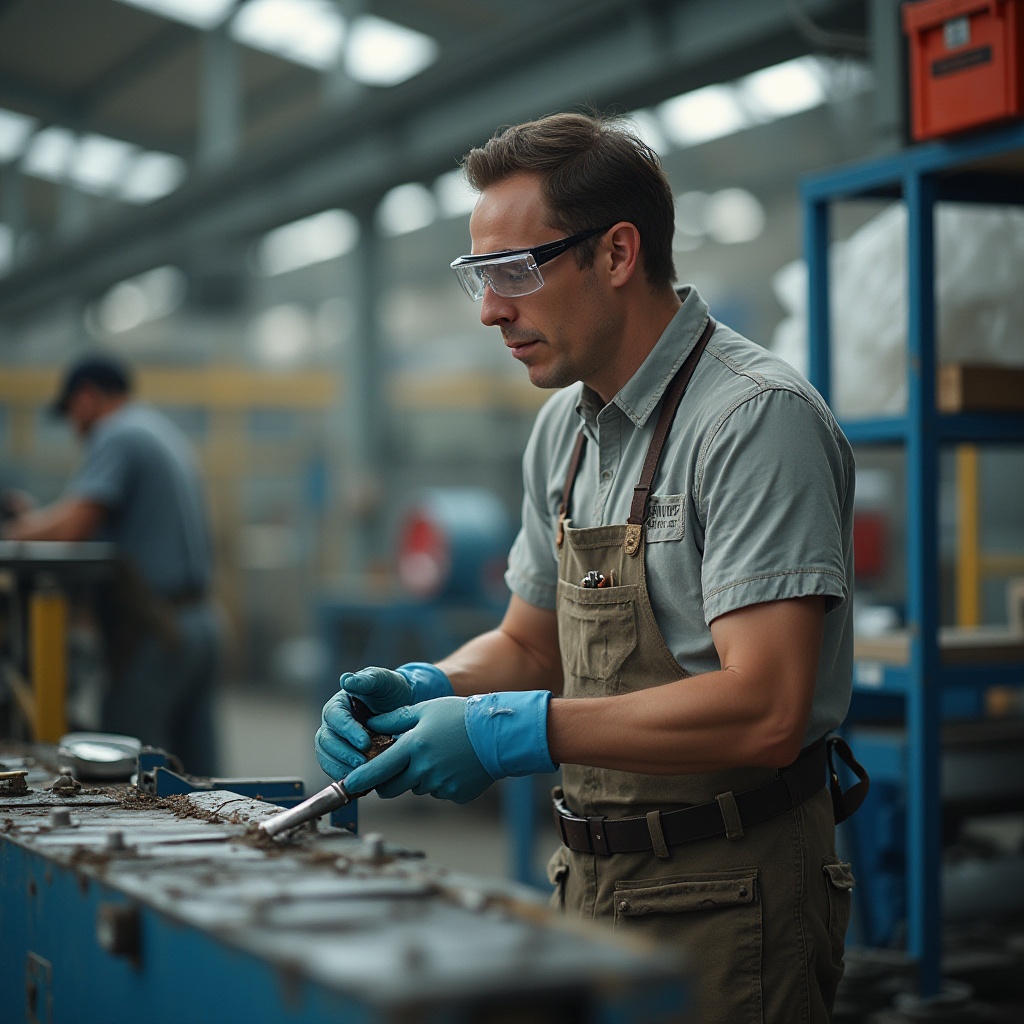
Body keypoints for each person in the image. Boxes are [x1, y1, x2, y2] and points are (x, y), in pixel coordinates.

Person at [314, 112, 864, 1023]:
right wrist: (426, 689)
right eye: (477, 278)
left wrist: (510, 735)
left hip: (734, 900)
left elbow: (769, 708)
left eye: (513, 273)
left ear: (615, 254)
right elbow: (532, 647)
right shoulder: (563, 435)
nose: (490, 310)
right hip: (589, 883)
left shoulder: (752, 422)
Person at [2, 353, 220, 775]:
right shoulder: (159, 431)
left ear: (86, 398)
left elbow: (73, 526)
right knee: (197, 779)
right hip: (199, 624)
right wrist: (41, 519)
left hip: (158, 631)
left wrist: (16, 531)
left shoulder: (117, 434)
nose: (74, 427)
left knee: (128, 769)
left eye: (71, 414)